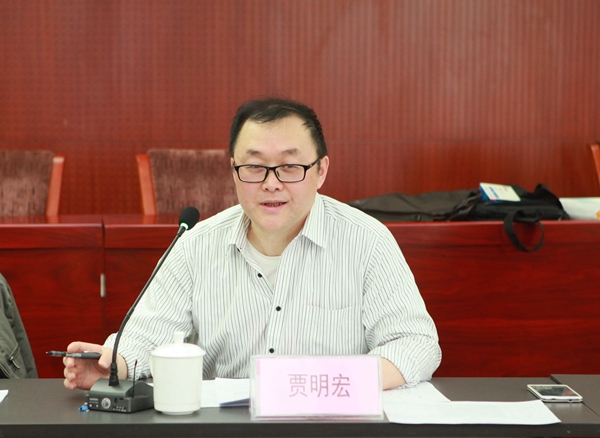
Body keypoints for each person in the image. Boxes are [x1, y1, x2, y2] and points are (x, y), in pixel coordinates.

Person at [64, 97, 441, 391]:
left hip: (330, 434)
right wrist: (112, 363)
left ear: (321, 171)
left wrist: (322, 385)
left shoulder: (367, 241)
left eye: (290, 167)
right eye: (255, 167)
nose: (271, 183)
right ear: (233, 170)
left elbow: (415, 344)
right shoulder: (196, 245)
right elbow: (148, 335)